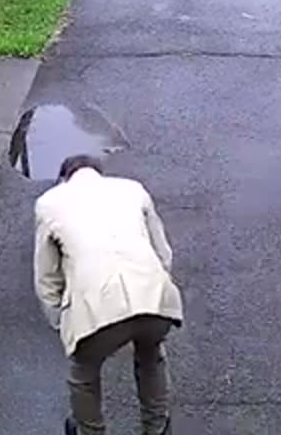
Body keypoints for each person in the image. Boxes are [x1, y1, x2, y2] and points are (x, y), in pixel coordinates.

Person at [33, 155, 183, 435]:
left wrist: (63, 325)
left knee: (84, 373)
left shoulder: (49, 204)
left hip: (96, 309)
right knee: (151, 354)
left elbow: (46, 279)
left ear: (64, 178)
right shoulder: (132, 189)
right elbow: (163, 253)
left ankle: (91, 431)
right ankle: (157, 428)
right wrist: (157, 291)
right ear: (99, 173)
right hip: (154, 297)